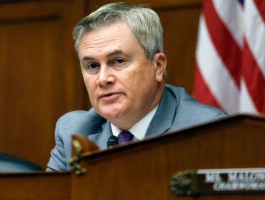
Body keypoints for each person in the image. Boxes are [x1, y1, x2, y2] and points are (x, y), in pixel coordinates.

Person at [46, 2, 226, 171]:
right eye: (92, 66)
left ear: (158, 66)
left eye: (118, 61)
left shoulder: (208, 132)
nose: (103, 79)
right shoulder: (73, 132)